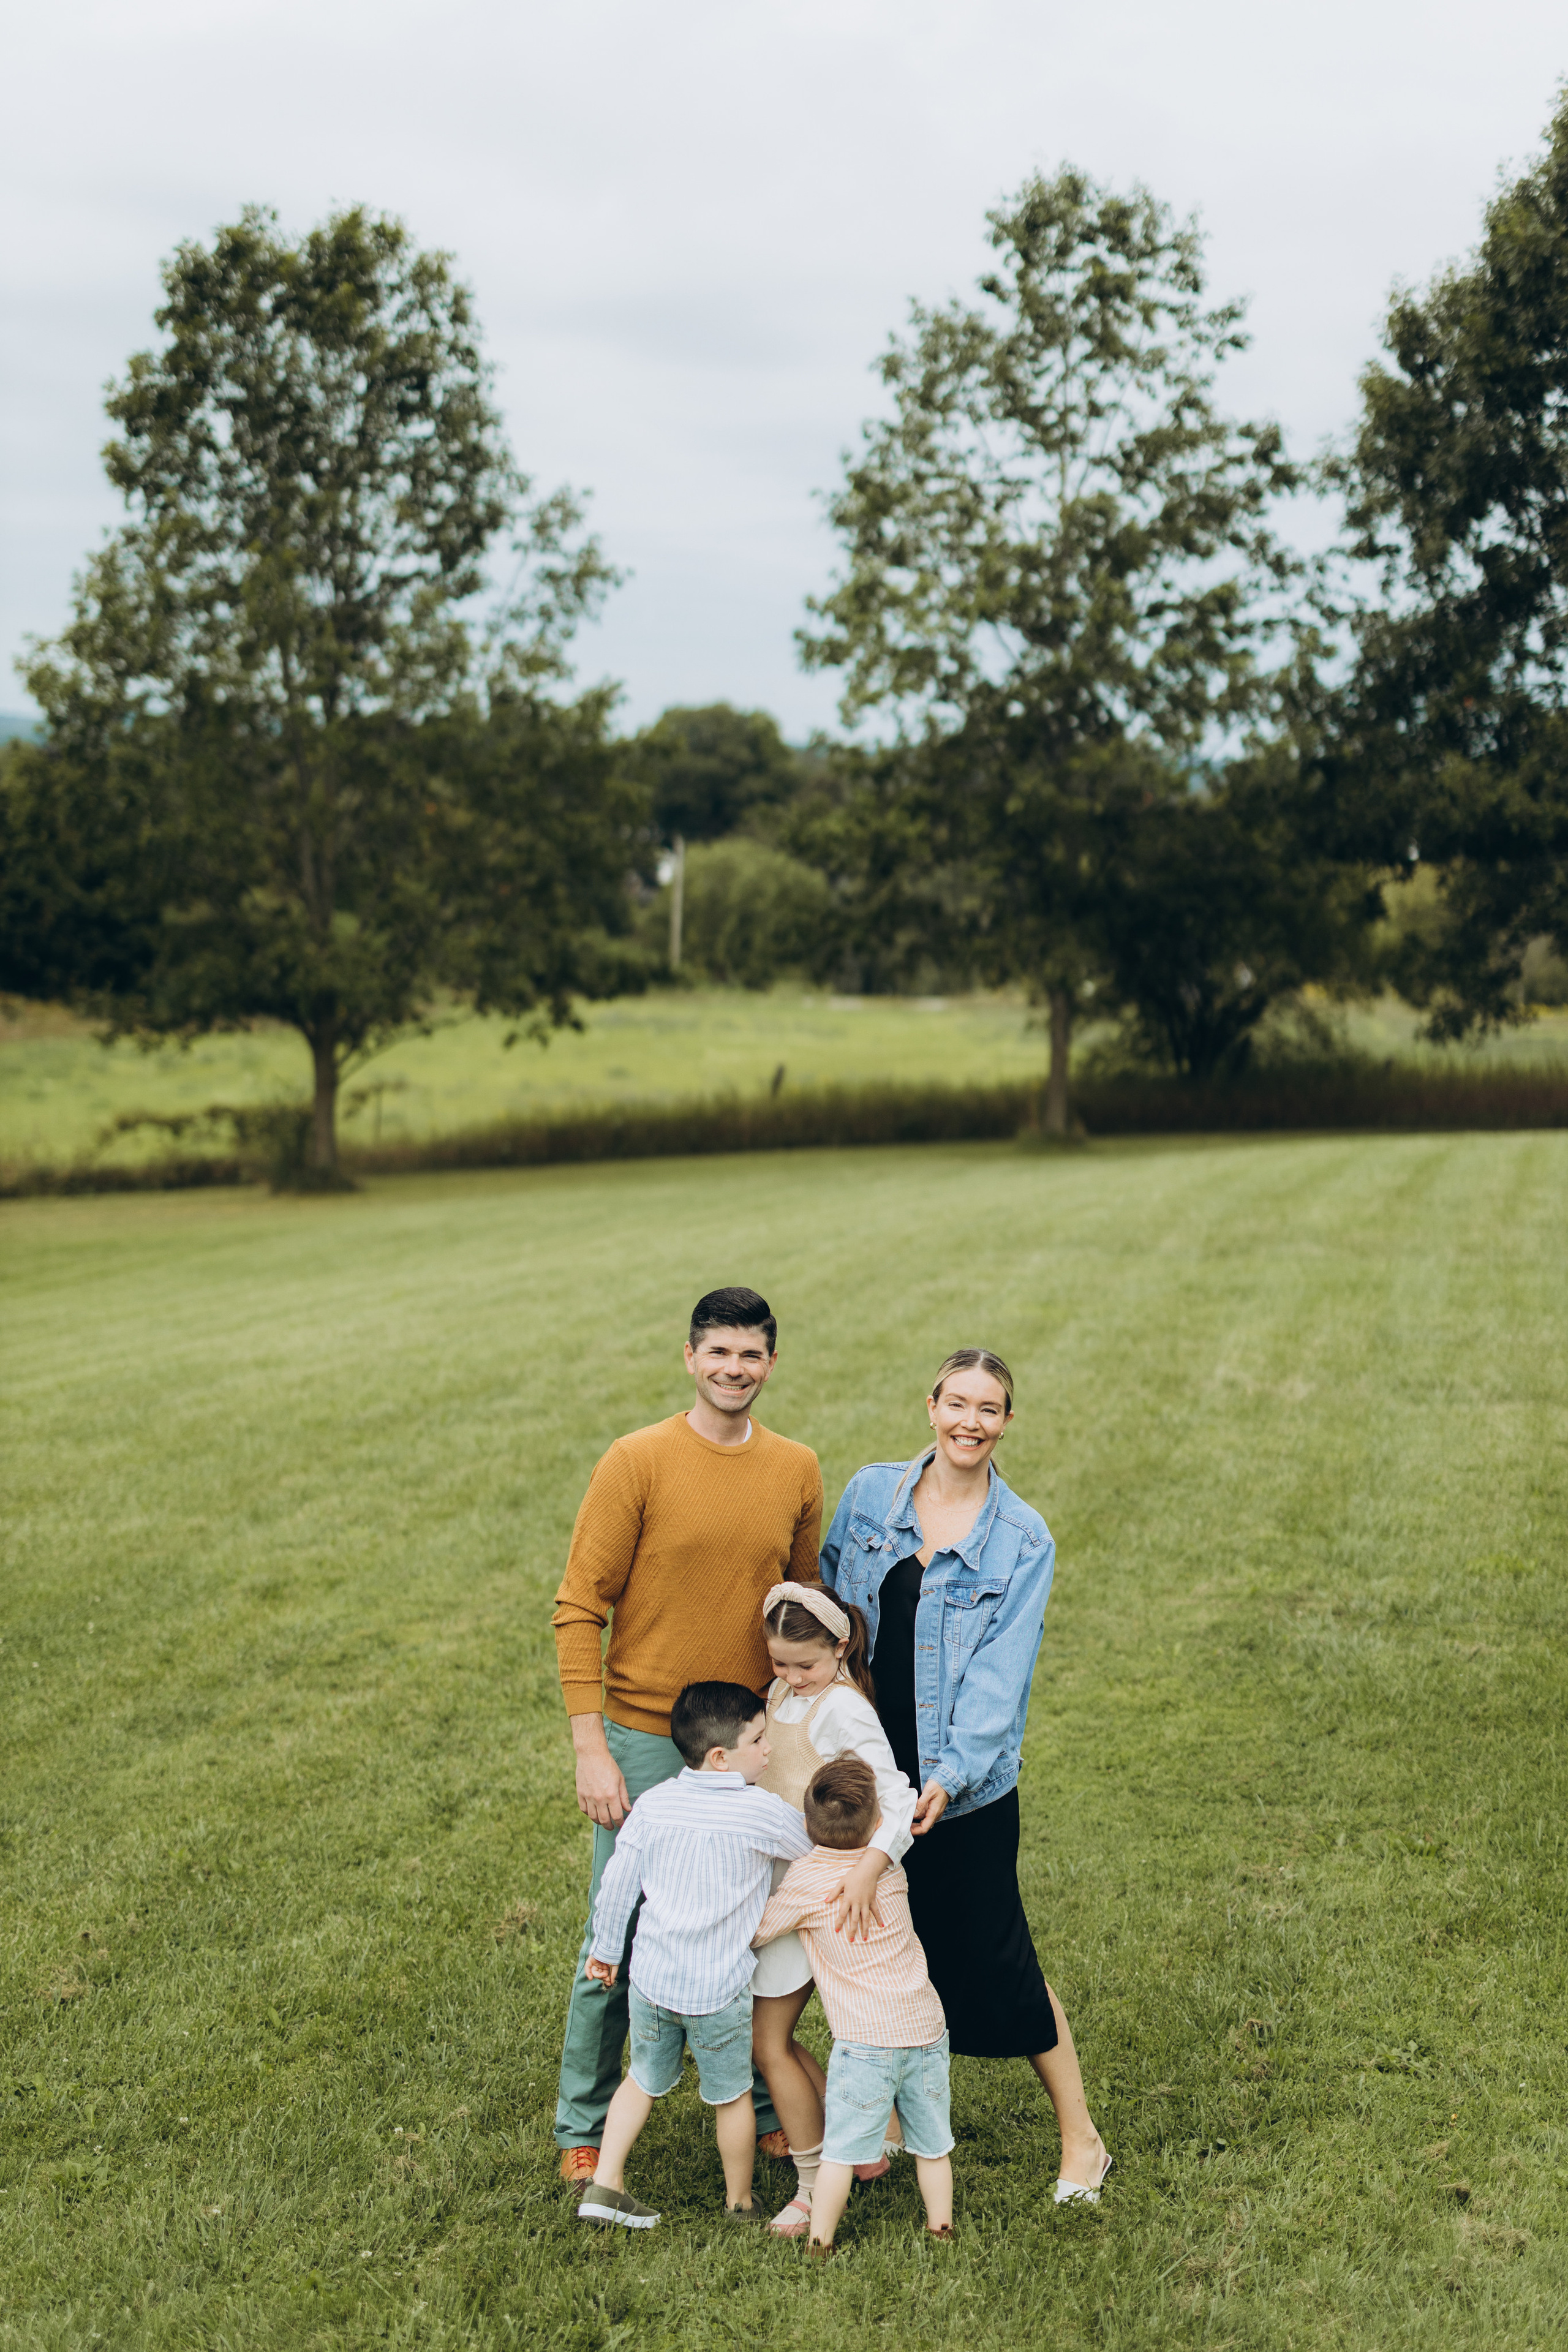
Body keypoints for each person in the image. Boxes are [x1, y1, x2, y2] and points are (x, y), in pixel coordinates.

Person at [820, 1348, 1112, 2204]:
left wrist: (950, 1773)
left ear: (1007, 1422)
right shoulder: (873, 1494)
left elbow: (999, 1676)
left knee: (995, 1958)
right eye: (957, 1404)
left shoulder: (1021, 1538)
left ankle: (1082, 2142)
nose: (970, 1423)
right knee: (886, 1945)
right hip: (872, 1767)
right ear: (931, 1406)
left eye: (989, 1409)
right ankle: (898, 2124)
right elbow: (835, 1614)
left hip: (962, 1787)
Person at [551, 1286, 823, 2182]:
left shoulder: (796, 1469)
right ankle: (583, 2124)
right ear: (690, 1357)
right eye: (719, 1354)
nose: (734, 1370)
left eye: (750, 1355)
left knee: (746, 1922)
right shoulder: (636, 1462)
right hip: (638, 1733)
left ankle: (746, 2085)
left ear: (771, 1364)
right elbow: (577, 1607)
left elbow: (802, 1608)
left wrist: (800, 1725)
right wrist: (592, 1747)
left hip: (745, 1740)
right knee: (622, 1926)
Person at [576, 1681, 812, 2231]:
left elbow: (617, 1886)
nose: (769, 1751)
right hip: (717, 1991)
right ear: (721, 1757)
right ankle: (740, 2203)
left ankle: (605, 2184)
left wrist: (607, 1952)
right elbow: (808, 1852)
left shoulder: (654, 1804)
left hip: (653, 1984)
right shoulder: (761, 1812)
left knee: (640, 2080)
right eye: (759, 1741)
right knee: (730, 2099)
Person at [749, 1580, 918, 2236]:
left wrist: (869, 1870)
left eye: (806, 1665)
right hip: (784, 1888)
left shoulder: (844, 1711)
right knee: (799, 2037)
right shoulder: (784, 1693)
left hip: (828, 1893)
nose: (792, 1677)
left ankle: (816, 2182)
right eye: (779, 1663)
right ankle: (876, 2138)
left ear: (840, 1647)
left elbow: (895, 1796)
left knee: (776, 2043)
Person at [752, 1756, 954, 2253]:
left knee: (840, 2152)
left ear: (806, 1825)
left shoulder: (804, 1881)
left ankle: (821, 2240)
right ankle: (941, 2228)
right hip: (927, 2028)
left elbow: (757, 1931)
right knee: (932, 2145)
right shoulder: (891, 1870)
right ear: (879, 1825)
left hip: (866, 2041)